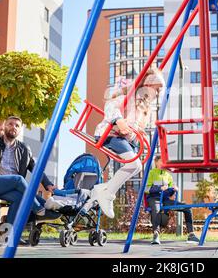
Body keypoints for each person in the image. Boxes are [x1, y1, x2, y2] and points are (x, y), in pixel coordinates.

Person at [85, 66, 165, 218]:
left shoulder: (143, 110)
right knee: (134, 164)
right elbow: (111, 105)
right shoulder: (130, 96)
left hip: (122, 138)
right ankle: (107, 194)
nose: (155, 94)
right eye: (155, 89)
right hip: (109, 134)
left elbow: (134, 130)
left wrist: (139, 136)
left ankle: (103, 189)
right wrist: (119, 120)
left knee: (136, 166)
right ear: (145, 85)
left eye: (158, 91)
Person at [146, 156, 200, 245]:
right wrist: (159, 188)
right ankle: (156, 234)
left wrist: (173, 189)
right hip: (154, 198)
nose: (163, 163)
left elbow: (170, 193)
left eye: (164, 162)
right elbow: (146, 189)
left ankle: (191, 235)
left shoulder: (168, 175)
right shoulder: (151, 173)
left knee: (187, 208)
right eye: (161, 161)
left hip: (165, 199)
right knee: (156, 210)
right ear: (156, 162)